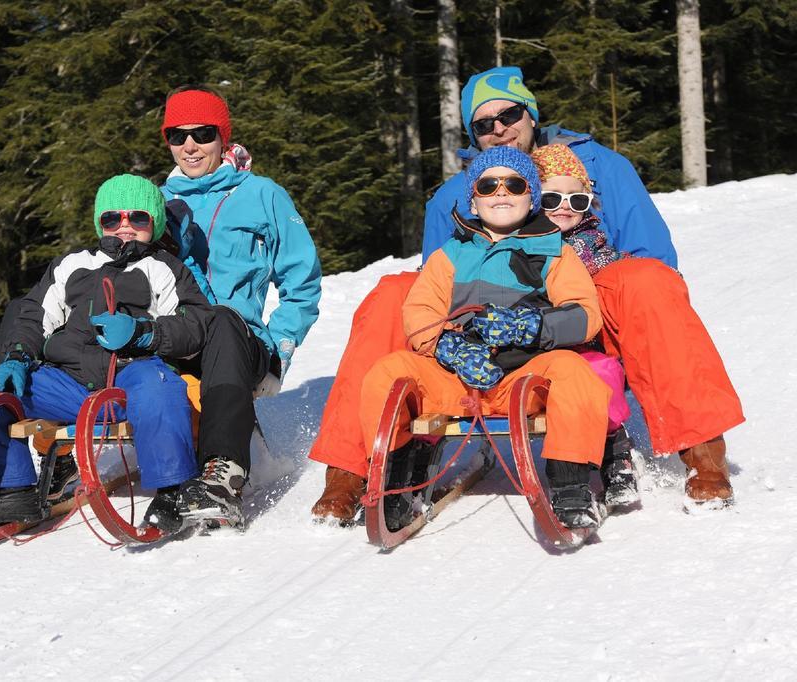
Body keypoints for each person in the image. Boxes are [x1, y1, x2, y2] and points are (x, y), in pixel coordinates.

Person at [310, 65, 741, 521]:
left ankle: (703, 454)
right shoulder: (454, 196)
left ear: (531, 113)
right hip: (491, 329)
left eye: (509, 113)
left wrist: (569, 306)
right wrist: (451, 338)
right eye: (483, 124)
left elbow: (653, 256)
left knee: (648, 279)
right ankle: (351, 468)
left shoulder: (601, 168)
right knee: (394, 293)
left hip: (590, 309)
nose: (499, 128)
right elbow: (435, 287)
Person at [359, 146, 610, 529]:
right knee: (387, 372)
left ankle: (570, 483)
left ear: (532, 197)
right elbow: (420, 311)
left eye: (514, 184)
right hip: (458, 379)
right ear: (474, 201)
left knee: (575, 373)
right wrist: (449, 347)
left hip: (524, 377)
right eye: (489, 185)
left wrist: (529, 326)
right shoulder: (451, 255)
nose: (501, 193)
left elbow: (585, 313)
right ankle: (396, 476)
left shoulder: (554, 252)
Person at [0, 174, 212, 530]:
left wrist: (144, 333)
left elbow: (195, 323)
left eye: (138, 218)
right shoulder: (72, 265)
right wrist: (18, 356)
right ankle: (11, 489)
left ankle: (172, 487)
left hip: (131, 377)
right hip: (70, 383)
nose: (124, 227)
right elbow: (35, 315)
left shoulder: (163, 268)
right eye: (113, 218)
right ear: (100, 222)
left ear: (154, 223)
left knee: (161, 388)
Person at [531, 143, 742, 505]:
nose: (565, 207)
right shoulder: (510, 234)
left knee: (646, 286)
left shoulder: (591, 237)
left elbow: (622, 260)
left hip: (593, 327)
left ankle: (704, 454)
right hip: (535, 338)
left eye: (576, 200)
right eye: (552, 198)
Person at [158, 86, 323, 526]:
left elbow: (301, 280)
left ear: (223, 136)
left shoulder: (262, 194)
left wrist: (279, 352)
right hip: (177, 337)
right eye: (178, 136)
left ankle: (223, 471)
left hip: (240, 341)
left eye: (202, 133)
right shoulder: (155, 204)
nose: (190, 146)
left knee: (225, 322)